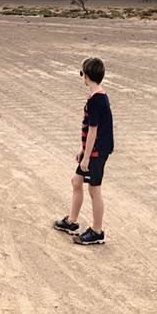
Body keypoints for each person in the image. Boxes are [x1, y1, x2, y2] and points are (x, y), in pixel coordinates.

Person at [53, 57, 113, 245]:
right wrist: (82, 149)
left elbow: (94, 130)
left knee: (94, 189)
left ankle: (97, 231)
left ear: (86, 77)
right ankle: (72, 221)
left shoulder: (96, 100)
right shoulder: (98, 97)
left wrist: (86, 157)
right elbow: (92, 129)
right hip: (92, 149)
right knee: (76, 181)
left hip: (97, 152)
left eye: (82, 73)